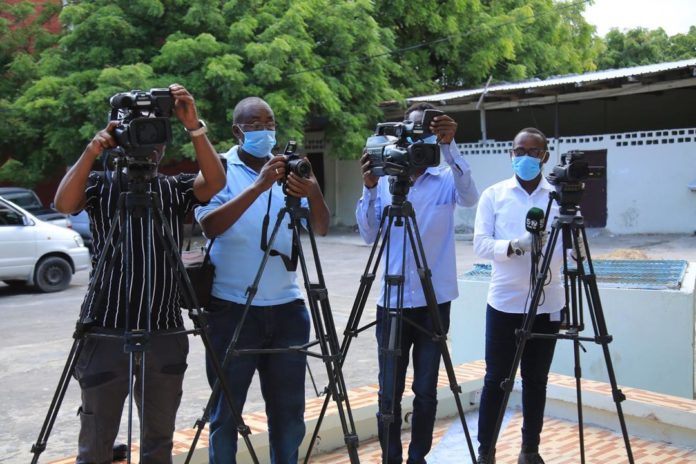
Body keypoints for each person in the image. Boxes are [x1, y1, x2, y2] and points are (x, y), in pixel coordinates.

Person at [54, 84, 226, 463]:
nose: (149, 144)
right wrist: (92, 149)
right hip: (104, 328)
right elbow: (64, 202)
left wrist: (194, 127)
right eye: (138, 133)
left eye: (157, 135)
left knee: (158, 441)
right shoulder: (100, 186)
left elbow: (214, 183)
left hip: (164, 328)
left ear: (165, 144)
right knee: (96, 443)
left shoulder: (173, 189)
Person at [195, 96, 330, 464]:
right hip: (230, 309)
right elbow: (210, 226)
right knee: (225, 415)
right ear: (238, 131)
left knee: (288, 416)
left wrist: (312, 187)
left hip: (287, 309)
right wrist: (258, 185)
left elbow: (320, 226)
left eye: (269, 123)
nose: (265, 131)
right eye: (255, 125)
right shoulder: (219, 168)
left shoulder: (290, 170)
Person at [356, 102, 479, 464]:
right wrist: (369, 187)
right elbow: (368, 233)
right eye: (411, 131)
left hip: (434, 301)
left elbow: (471, 196)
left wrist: (451, 146)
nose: (417, 138)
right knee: (388, 390)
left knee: (425, 389)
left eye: (425, 131)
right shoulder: (385, 180)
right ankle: (391, 458)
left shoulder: (445, 182)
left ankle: (417, 458)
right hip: (391, 301)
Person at [473, 127, 565, 464]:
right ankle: (486, 451)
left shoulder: (557, 196)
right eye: (518, 150)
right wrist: (513, 246)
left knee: (536, 381)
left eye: (532, 151)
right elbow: (480, 245)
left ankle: (530, 450)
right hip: (505, 304)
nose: (524, 157)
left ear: (545, 156)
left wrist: (578, 249)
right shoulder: (494, 195)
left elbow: (570, 248)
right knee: (496, 380)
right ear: (511, 153)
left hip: (549, 303)